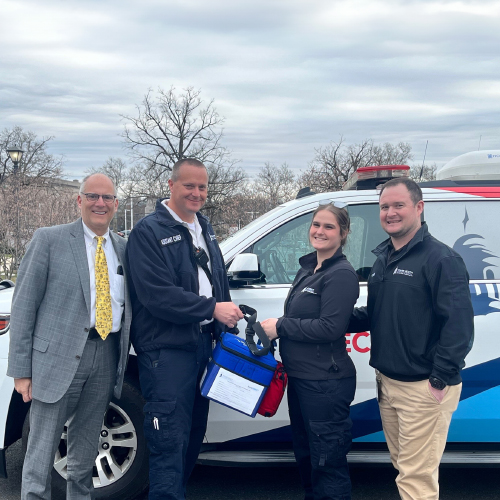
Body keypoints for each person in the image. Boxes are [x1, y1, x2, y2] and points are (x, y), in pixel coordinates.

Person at [348, 177, 474, 500]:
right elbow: (373, 315)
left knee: (416, 481)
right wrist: (331, 320)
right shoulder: (383, 259)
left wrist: (438, 380)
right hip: (388, 384)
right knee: (405, 468)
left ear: (419, 207)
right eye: (384, 207)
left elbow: (459, 328)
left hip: (422, 387)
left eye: (398, 205)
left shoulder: (441, 260)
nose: (390, 212)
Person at [7, 173, 131, 500]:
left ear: (116, 204)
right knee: (40, 452)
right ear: (79, 201)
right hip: (56, 359)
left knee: (85, 448)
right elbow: (24, 305)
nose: (100, 203)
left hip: (106, 355)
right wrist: (22, 371)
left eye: (107, 198)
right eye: (92, 196)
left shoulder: (124, 248)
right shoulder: (49, 240)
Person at [126, 158, 243, 500]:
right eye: (189, 185)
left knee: (192, 439)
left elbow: (216, 282)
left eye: (202, 187)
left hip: (201, 349)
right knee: (168, 446)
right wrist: (211, 309)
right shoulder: (148, 232)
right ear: (171, 184)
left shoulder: (203, 228)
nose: (196, 193)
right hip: (166, 354)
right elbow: (157, 296)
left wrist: (226, 322)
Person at [261, 203, 359, 500]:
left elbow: (330, 328)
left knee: (327, 464)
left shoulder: (341, 274)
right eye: (316, 224)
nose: (320, 231)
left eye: (329, 227)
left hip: (325, 384)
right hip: (303, 379)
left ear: (343, 233)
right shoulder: (310, 268)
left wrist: (281, 326)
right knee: (307, 458)